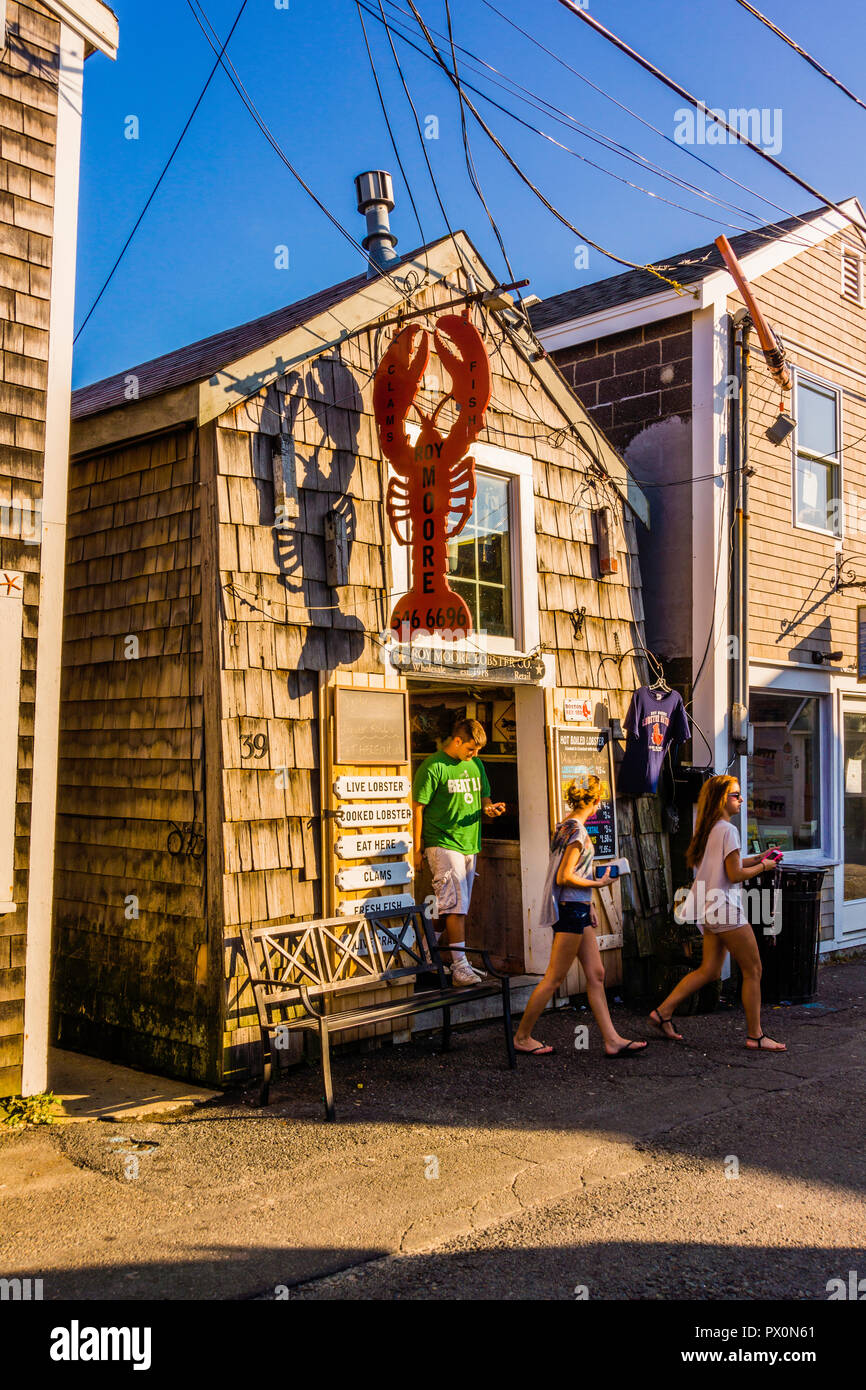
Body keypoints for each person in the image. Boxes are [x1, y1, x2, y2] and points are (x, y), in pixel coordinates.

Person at [650, 774, 787, 1050]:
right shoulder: (728, 830)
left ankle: (662, 1012)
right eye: (736, 795)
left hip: (709, 909)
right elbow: (734, 873)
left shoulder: (711, 828)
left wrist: (759, 857)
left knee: (710, 970)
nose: (741, 799)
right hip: (726, 909)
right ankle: (755, 1035)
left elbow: (729, 863)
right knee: (753, 970)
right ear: (722, 799)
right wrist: (764, 868)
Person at [514, 776, 647, 1057]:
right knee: (554, 977)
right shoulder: (578, 834)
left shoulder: (565, 826)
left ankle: (611, 1040)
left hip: (578, 908)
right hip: (571, 910)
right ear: (597, 801)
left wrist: (592, 904)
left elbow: (571, 874)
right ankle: (522, 1036)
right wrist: (597, 886)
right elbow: (566, 876)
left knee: (596, 974)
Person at [412, 718, 505, 987]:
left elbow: (483, 798)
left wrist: (489, 809)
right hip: (441, 841)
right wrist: (416, 849)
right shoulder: (434, 766)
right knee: (456, 905)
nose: (474, 754)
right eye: (470, 749)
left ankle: (426, 953)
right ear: (457, 741)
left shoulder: (476, 765)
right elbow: (417, 808)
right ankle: (460, 966)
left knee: (448, 905)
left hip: (469, 842)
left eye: (477, 751)